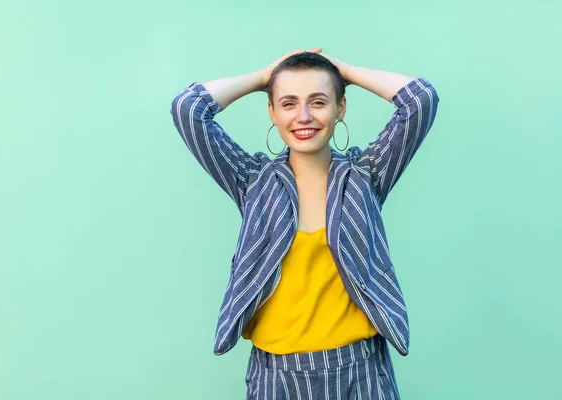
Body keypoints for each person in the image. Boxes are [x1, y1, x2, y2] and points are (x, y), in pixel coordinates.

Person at [170, 48, 440, 399]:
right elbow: (188, 109)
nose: (303, 116)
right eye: (287, 103)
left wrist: (343, 71)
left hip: (360, 371)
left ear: (340, 108)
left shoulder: (365, 175)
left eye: (318, 102)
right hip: (276, 376)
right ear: (271, 112)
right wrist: (265, 76)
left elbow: (420, 99)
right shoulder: (253, 181)